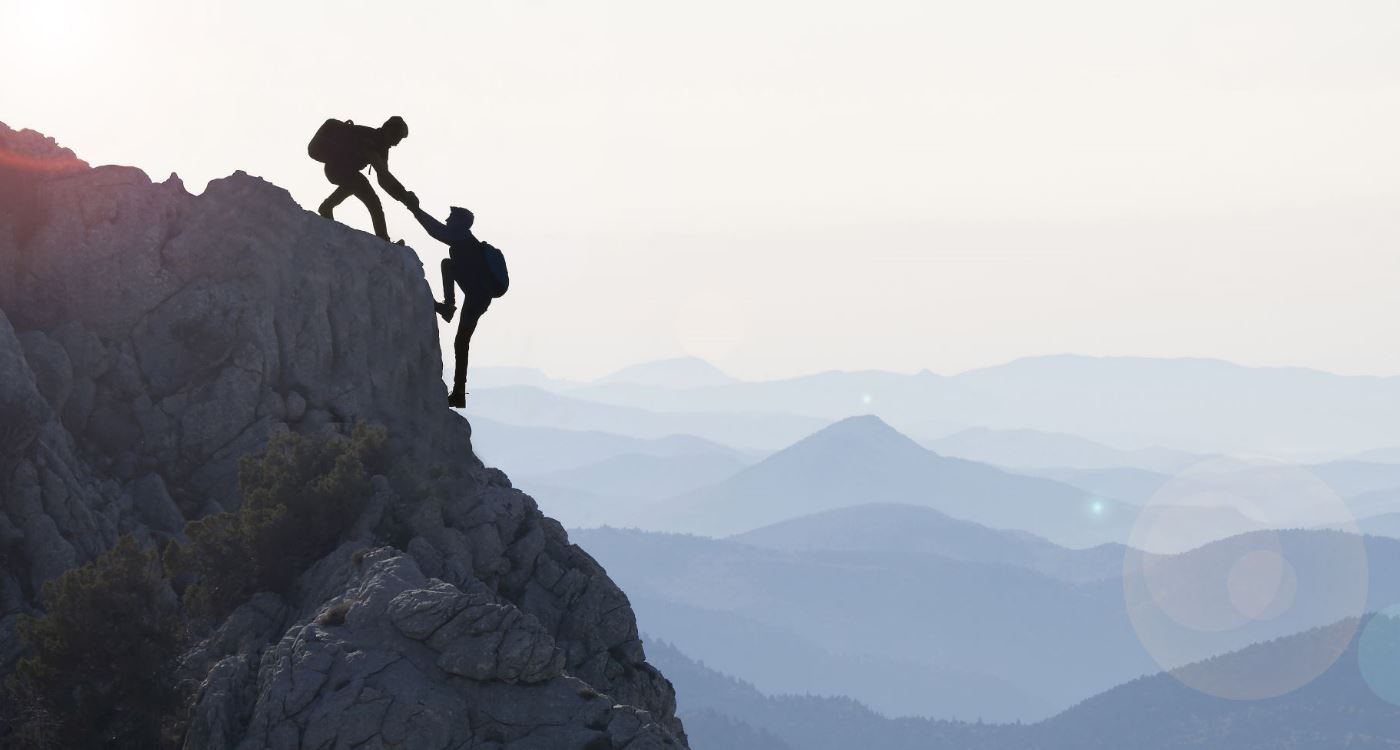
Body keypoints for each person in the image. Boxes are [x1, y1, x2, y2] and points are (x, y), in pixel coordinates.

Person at [408, 199, 494, 407]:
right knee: (448, 264)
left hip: (477, 298)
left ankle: (459, 393)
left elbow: (435, 231)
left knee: (461, 342)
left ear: (459, 224)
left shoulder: (462, 237)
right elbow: (439, 231)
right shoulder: (465, 239)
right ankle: (449, 306)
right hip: (478, 295)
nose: (447, 220)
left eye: (451, 218)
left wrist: (415, 210)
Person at [311, 115, 413, 240]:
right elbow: (382, 173)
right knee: (368, 194)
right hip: (335, 168)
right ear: (388, 130)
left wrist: (403, 197)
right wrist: (404, 196)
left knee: (366, 194)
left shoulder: (382, 149)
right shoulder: (371, 138)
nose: (396, 143)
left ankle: (326, 207)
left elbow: (383, 180)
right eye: (396, 137)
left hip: (346, 171)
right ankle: (383, 239)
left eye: (399, 140)